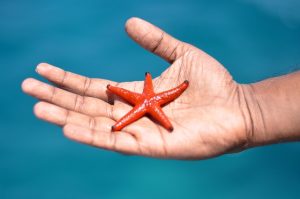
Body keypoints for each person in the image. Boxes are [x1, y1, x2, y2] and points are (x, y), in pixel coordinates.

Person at [21, 17, 300, 160]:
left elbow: (152, 99)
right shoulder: (147, 98)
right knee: (138, 106)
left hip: (150, 104)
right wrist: (250, 108)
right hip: (150, 104)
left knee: (141, 107)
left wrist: (248, 109)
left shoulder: (151, 100)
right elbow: (145, 99)